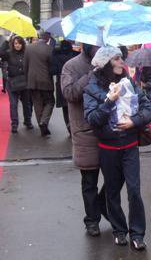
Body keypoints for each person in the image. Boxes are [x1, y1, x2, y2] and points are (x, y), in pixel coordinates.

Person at [84, 46, 151, 250]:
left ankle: (137, 234)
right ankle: (119, 231)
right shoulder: (91, 88)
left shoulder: (128, 82)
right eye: (116, 58)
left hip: (130, 145)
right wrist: (109, 101)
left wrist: (134, 121)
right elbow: (92, 119)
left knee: (134, 190)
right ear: (105, 63)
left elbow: (148, 108)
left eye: (122, 58)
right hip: (108, 147)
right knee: (112, 192)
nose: (122, 62)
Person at [61, 43, 107, 237]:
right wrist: (91, 75)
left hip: (109, 129)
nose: (99, 48)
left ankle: (102, 206)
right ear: (87, 46)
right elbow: (69, 94)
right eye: (95, 45)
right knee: (89, 181)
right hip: (85, 130)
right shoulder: (71, 66)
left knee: (116, 177)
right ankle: (92, 220)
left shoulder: (110, 62)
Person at [24, 32, 55, 136]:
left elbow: (25, 66)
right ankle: (44, 121)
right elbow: (52, 67)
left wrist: (27, 79)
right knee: (50, 102)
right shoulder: (49, 49)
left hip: (32, 81)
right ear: (47, 38)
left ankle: (41, 125)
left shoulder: (29, 48)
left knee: (37, 104)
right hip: (46, 80)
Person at [0, 36, 33, 133]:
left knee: (26, 104)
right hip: (12, 82)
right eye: (15, 43)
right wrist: (6, 41)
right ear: (12, 44)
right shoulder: (9, 53)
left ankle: (28, 121)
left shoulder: (27, 53)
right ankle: (14, 124)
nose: (17, 45)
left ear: (22, 44)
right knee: (13, 105)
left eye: (19, 43)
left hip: (25, 82)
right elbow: (1, 53)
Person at [52, 40, 78, 134]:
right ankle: (74, 127)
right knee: (75, 107)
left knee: (65, 108)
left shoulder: (56, 56)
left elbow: (53, 71)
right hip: (75, 83)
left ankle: (69, 127)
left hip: (62, 85)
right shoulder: (75, 55)